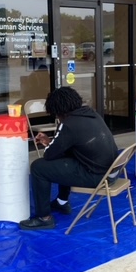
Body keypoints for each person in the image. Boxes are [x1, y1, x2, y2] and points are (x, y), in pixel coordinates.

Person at [20, 87, 118, 230]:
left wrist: (48, 144)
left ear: (59, 110)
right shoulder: (91, 114)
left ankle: (44, 218)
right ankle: (62, 202)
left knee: (38, 167)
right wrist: (51, 142)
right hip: (112, 172)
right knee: (65, 158)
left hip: (98, 176)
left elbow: (49, 155)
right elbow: (70, 144)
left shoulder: (68, 124)